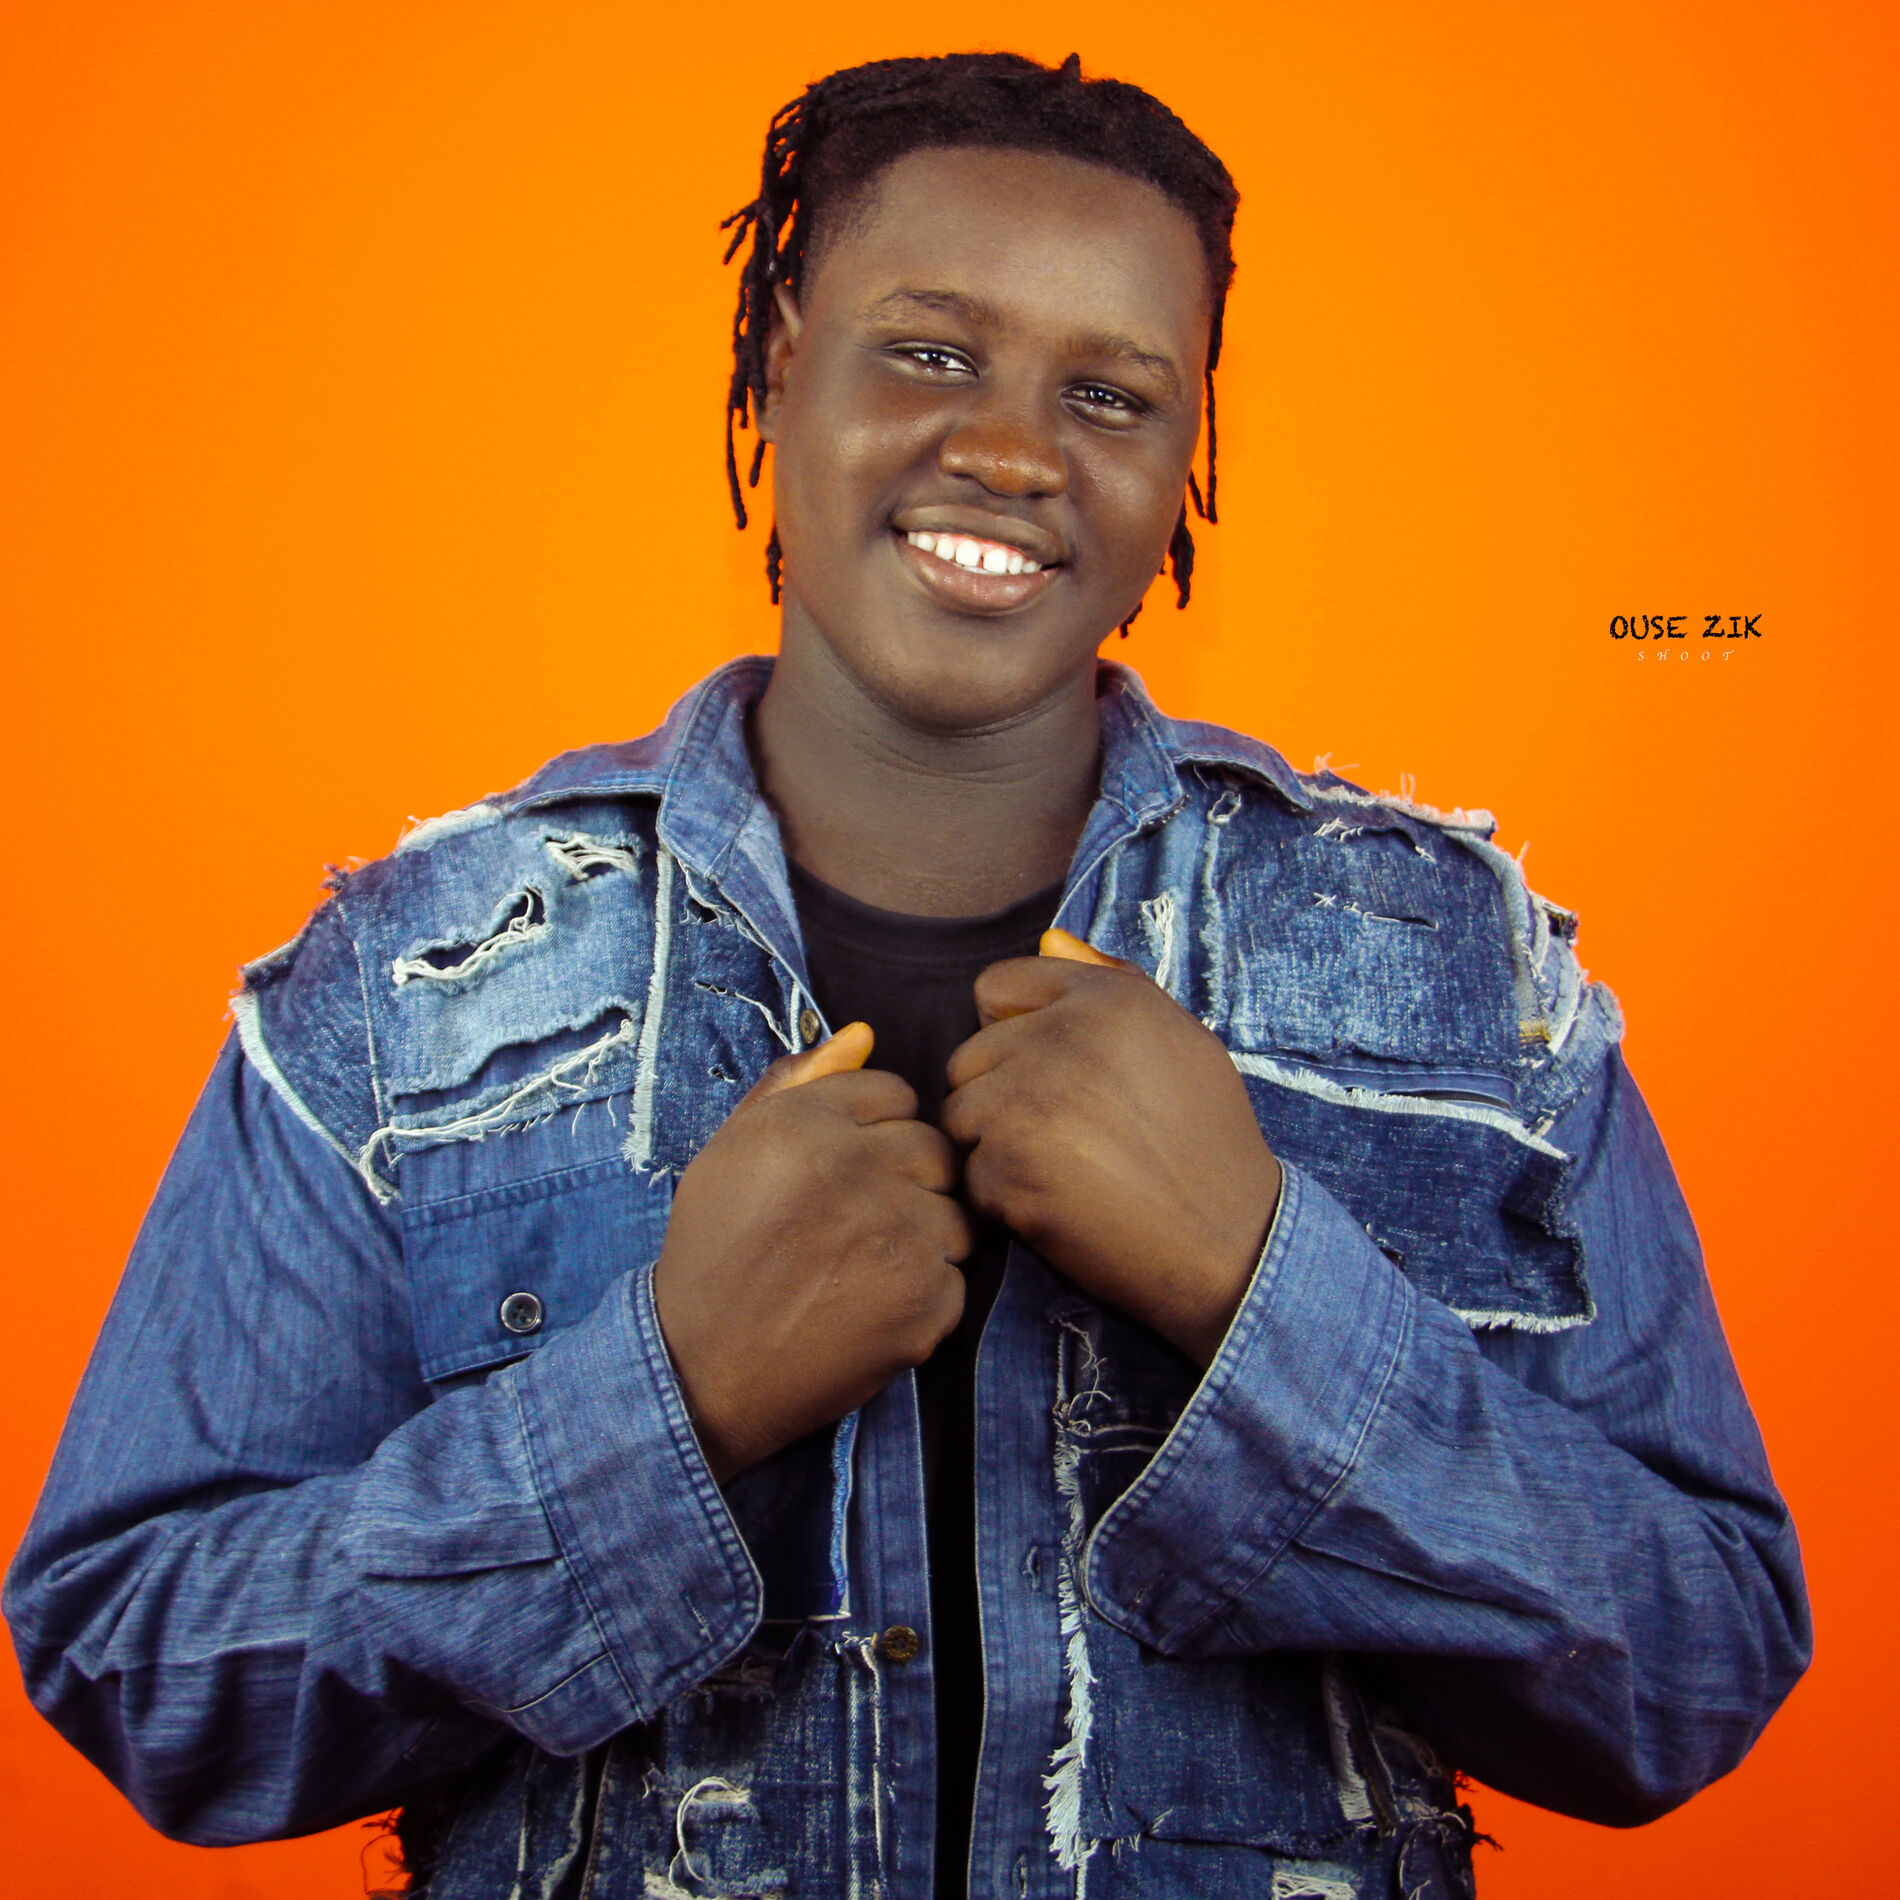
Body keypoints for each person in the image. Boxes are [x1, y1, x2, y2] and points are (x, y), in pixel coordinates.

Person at [6, 51, 1808, 1900]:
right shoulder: (410, 980)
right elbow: (143, 1663)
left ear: (1188, 450)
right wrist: (671, 1403)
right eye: (931, 352)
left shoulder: (1464, 976)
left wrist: (1255, 1288)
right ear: (781, 365)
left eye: (1110, 394)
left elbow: (1699, 1665)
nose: (1014, 452)